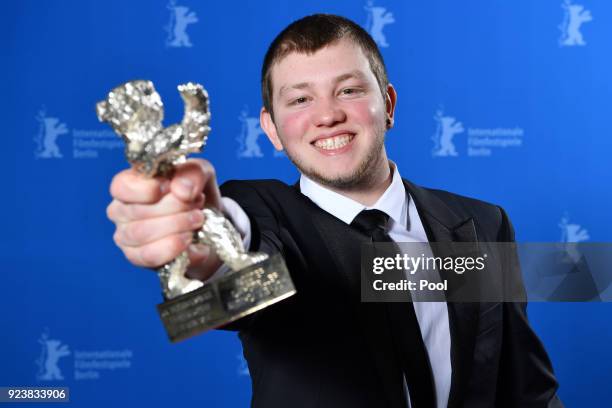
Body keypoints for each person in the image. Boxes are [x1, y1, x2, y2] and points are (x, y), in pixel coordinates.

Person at [106, 14, 562, 408]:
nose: (327, 115)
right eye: (301, 99)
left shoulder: (481, 224)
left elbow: (525, 388)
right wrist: (199, 243)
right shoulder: (264, 212)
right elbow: (236, 245)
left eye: (347, 90)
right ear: (272, 129)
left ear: (387, 105)